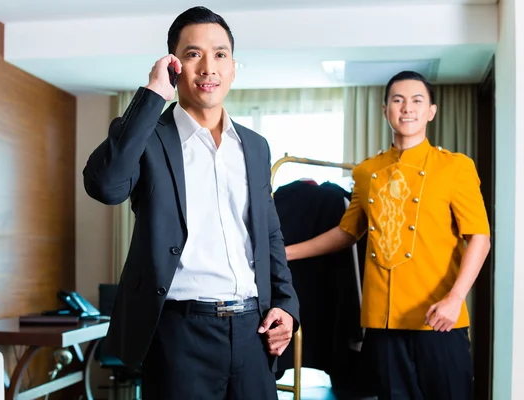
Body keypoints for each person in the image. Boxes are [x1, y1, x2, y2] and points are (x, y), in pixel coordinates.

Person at [83, 6, 299, 400]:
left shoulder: (255, 146)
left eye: (220, 54)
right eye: (193, 54)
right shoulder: (147, 136)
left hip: (252, 331)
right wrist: (152, 96)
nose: (208, 67)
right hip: (179, 334)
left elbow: (268, 232)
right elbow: (105, 186)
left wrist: (286, 303)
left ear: (234, 67)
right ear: (174, 67)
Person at [285, 70, 490, 400]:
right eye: (397, 100)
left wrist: (455, 299)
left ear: (431, 111)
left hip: (439, 319)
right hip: (382, 325)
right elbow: (347, 232)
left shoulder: (456, 167)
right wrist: (286, 253)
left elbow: (479, 237)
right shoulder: (366, 172)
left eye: (416, 100)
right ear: (385, 110)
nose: (406, 108)